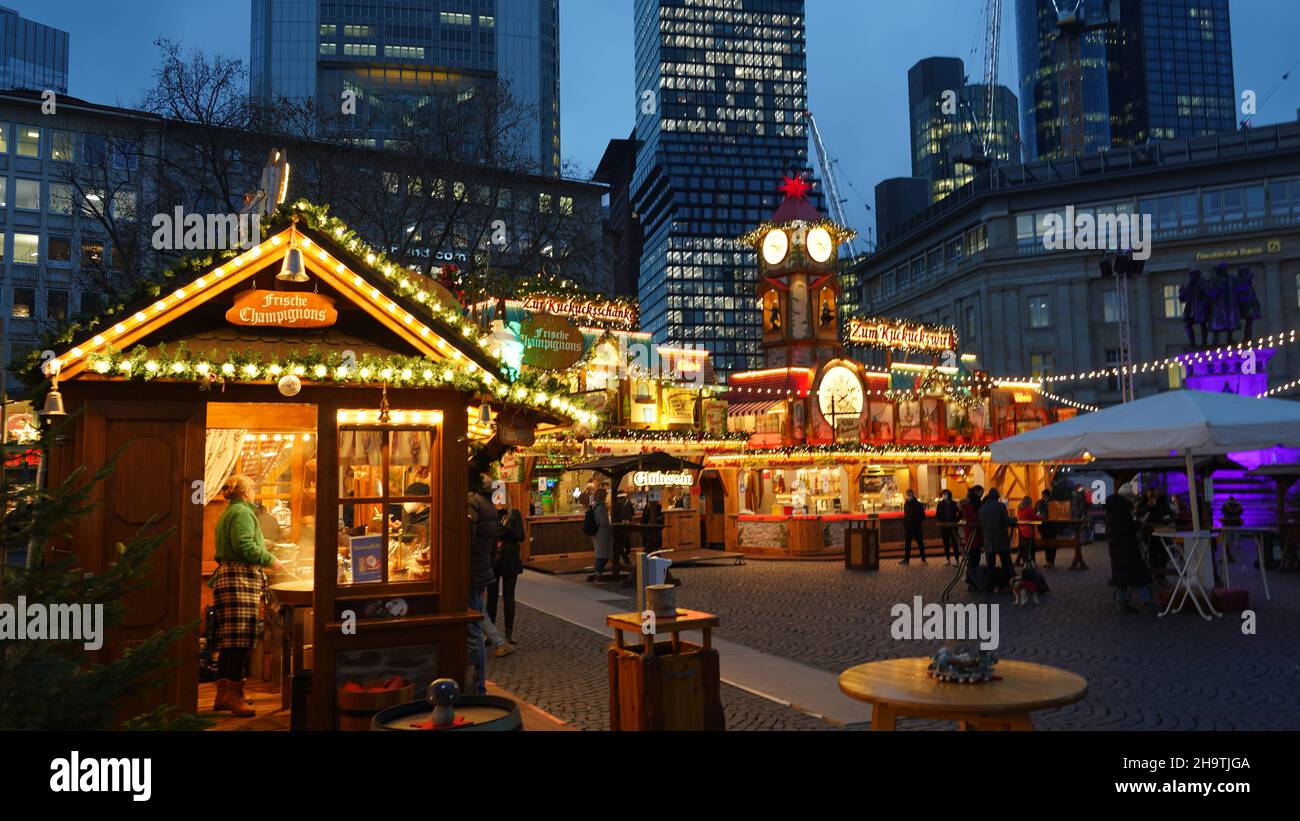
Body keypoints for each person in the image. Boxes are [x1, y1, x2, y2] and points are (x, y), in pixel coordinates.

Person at [211, 475, 285, 716]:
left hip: (230, 577)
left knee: (229, 640)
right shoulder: (242, 512)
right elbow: (243, 545)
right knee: (241, 639)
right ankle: (234, 695)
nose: (255, 492)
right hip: (239, 578)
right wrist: (269, 559)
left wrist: (264, 546)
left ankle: (223, 694)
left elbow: (243, 542)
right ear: (244, 492)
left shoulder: (232, 511)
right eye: (253, 488)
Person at [467, 466, 500, 694]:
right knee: (475, 625)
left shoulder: (473, 504)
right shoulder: (490, 506)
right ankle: (477, 683)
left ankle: (477, 685)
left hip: (471, 572)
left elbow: (467, 541)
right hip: (482, 571)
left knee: (473, 629)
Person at [1105, 490, 1155, 613]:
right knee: (1139, 573)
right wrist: (1138, 524)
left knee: (1121, 576)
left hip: (1116, 548)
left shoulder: (1112, 509)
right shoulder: (1122, 510)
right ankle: (1147, 600)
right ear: (1126, 497)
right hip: (1127, 546)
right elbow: (1128, 528)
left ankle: (1123, 602)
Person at [489, 506, 525, 646]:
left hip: (510, 559)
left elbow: (520, 536)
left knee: (508, 597)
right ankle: (490, 633)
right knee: (492, 598)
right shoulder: (489, 513)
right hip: (494, 560)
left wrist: (505, 531)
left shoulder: (514, 514)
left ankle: (508, 632)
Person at [978, 488, 1016, 595]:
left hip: (988, 540)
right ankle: (1008, 585)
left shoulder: (982, 508)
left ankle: (991, 586)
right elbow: (1006, 520)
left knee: (990, 565)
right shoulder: (1000, 506)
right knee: (1006, 563)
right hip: (1001, 539)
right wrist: (1014, 520)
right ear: (998, 497)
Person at [961, 486, 985, 587]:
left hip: (972, 534)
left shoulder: (970, 503)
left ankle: (971, 580)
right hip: (974, 534)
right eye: (981, 492)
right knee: (974, 558)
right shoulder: (973, 504)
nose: (981, 494)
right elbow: (975, 520)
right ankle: (972, 580)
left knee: (974, 557)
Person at [589, 486, 613, 580]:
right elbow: (604, 522)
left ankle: (597, 574)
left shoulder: (595, 506)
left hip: (597, 533)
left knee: (600, 554)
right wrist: (610, 527)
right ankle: (598, 574)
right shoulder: (601, 507)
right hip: (602, 533)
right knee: (603, 555)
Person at [900, 490, 927, 565]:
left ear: (913, 494)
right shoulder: (906, 504)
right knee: (907, 544)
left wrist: (916, 521)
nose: (909, 496)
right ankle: (906, 559)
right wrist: (906, 522)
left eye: (910, 495)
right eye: (908, 495)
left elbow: (923, 516)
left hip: (916, 527)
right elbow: (906, 515)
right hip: (908, 527)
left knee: (920, 543)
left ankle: (923, 559)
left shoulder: (918, 504)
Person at [935, 490, 961, 566]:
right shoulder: (940, 504)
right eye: (943, 494)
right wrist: (940, 521)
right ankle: (947, 559)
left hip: (953, 526)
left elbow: (959, 513)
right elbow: (938, 514)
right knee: (946, 543)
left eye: (946, 494)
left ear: (949, 495)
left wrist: (956, 520)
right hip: (944, 526)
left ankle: (956, 560)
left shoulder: (954, 504)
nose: (944, 496)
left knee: (954, 543)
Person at [1035, 489, 1057, 567]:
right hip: (1043, 526)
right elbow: (1036, 512)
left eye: (1044, 496)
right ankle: (1048, 560)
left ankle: (1051, 561)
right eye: (1042, 496)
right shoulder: (1039, 502)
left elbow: (1055, 514)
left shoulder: (1053, 503)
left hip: (1052, 527)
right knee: (1046, 544)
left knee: (1052, 544)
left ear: (1048, 496)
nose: (1043, 497)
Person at [1016, 496, 1039, 566]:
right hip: (1029, 531)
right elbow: (1035, 517)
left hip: (1021, 531)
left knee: (1023, 547)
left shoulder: (1019, 509)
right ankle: (1031, 561)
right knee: (1032, 547)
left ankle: (1025, 561)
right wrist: (1042, 516)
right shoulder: (1029, 509)